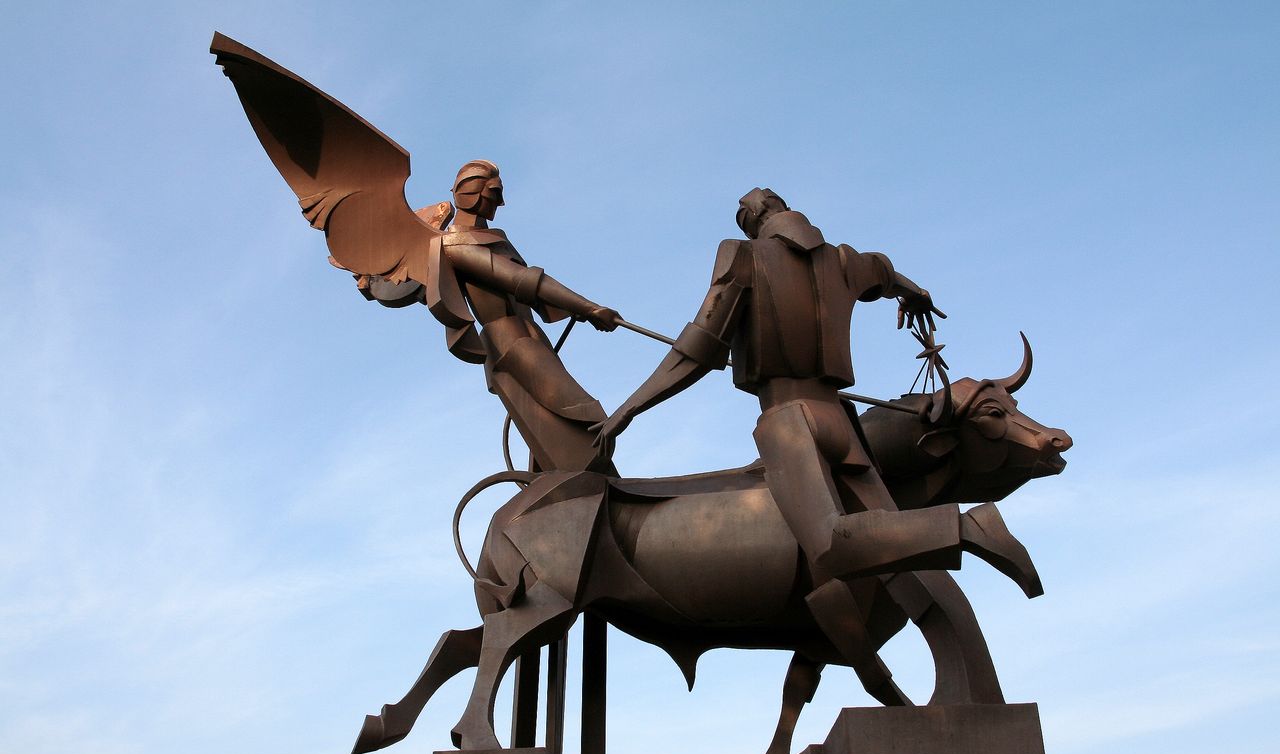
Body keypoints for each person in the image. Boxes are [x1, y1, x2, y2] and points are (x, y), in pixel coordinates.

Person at [594, 188, 1028, 701]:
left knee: (829, 544)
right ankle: (927, 685)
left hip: (788, 421)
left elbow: (699, 348)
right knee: (893, 560)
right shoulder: (842, 260)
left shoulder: (745, 255)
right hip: (841, 421)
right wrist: (917, 296)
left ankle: (969, 527)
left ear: (752, 220)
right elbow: (887, 274)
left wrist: (628, 409)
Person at [363, 160, 620, 473]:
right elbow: (520, 280)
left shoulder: (493, 237)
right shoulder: (455, 244)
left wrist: (572, 309)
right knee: (591, 420)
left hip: (532, 339)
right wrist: (587, 307)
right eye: (495, 192)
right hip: (509, 344)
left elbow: (528, 285)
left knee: (563, 447)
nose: (500, 201)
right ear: (472, 193)